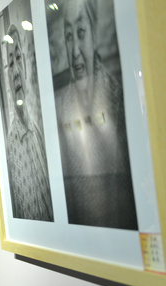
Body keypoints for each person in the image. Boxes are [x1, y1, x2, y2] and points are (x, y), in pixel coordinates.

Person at [57, 0, 137, 229]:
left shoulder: (118, 96)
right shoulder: (65, 106)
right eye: (68, 35)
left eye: (81, 32)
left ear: (94, 35)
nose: (74, 51)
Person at [4, 23, 54, 221]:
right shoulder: (11, 147)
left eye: (18, 59)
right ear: (7, 76)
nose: (16, 71)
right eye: (10, 63)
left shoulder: (38, 132)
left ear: (25, 66)